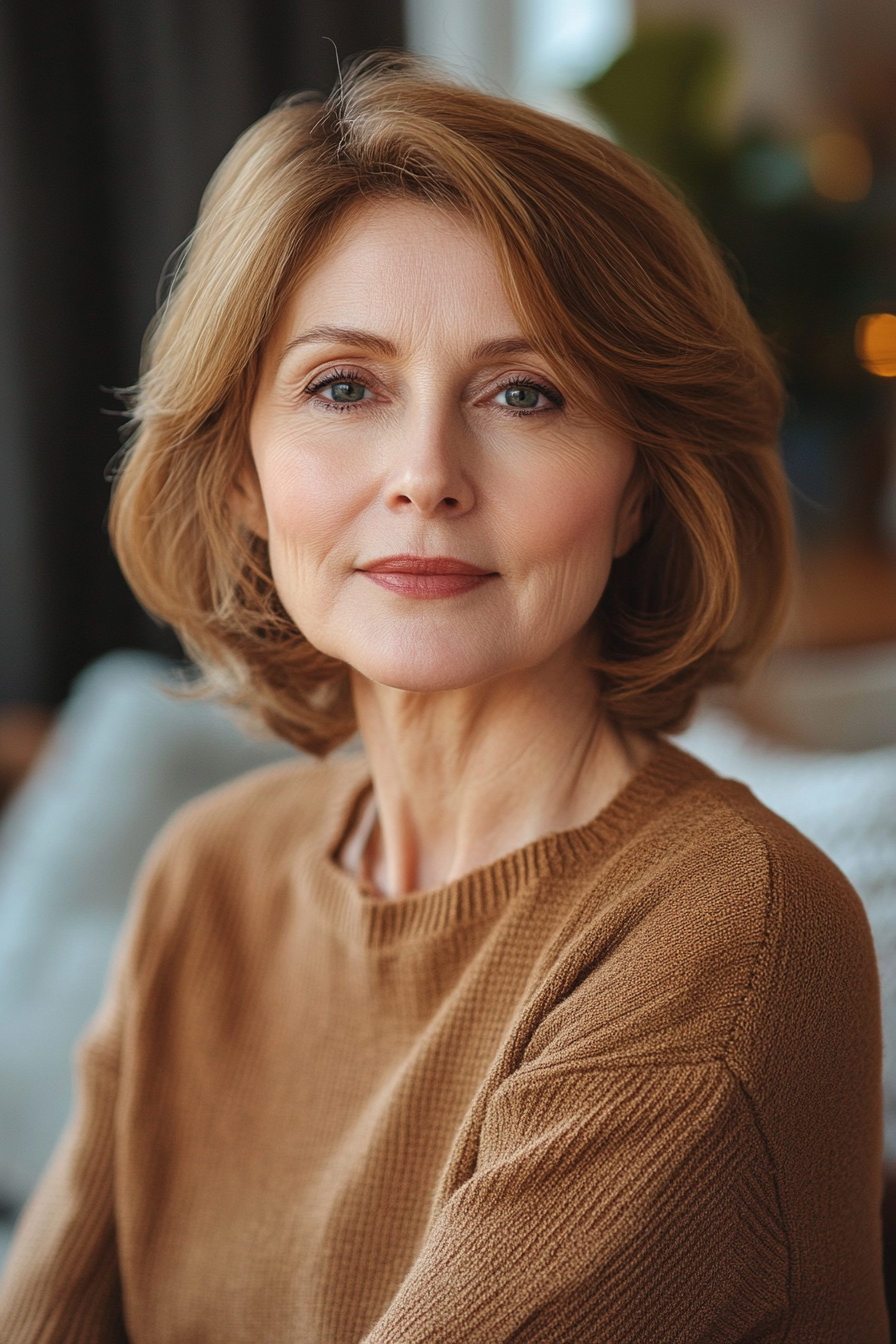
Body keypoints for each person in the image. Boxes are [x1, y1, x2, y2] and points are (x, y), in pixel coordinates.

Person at [0, 55, 887, 1343]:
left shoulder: (731, 931)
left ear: (644, 482)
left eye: (525, 393)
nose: (426, 475)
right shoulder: (208, 874)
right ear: (243, 468)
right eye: (343, 387)